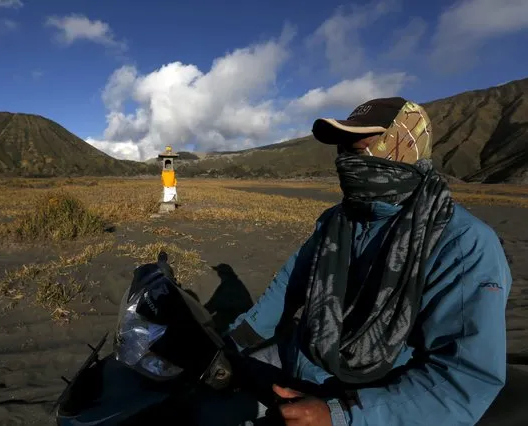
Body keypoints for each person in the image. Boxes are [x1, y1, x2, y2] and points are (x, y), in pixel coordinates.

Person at [213, 97, 512, 426]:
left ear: (404, 144)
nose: (346, 154)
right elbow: (292, 282)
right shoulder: (336, 221)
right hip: (300, 357)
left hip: (371, 400)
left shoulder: (463, 243)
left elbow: (464, 377)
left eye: (361, 141)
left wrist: (339, 416)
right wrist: (233, 340)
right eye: (343, 144)